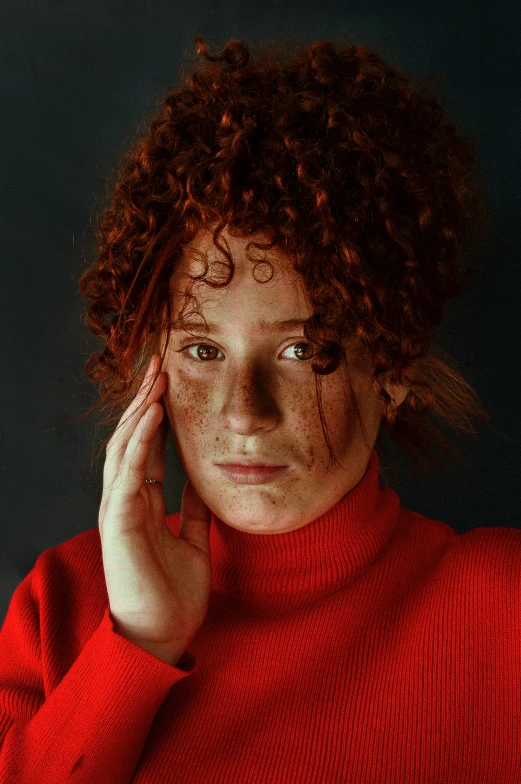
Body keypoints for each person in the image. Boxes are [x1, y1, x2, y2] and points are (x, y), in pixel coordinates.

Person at [0, 34, 519, 784]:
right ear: (155, 367)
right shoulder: (63, 604)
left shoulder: (502, 609)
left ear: (394, 368)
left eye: (303, 352)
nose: (244, 413)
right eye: (203, 352)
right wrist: (136, 647)